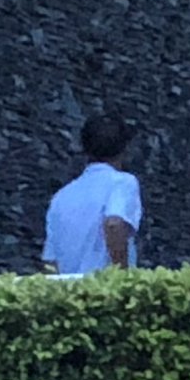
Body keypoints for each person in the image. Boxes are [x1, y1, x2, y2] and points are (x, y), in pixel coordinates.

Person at [43, 112, 142, 274]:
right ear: (124, 149)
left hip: (69, 288)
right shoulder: (122, 182)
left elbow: (50, 263)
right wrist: (123, 278)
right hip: (104, 286)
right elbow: (114, 224)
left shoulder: (61, 197)